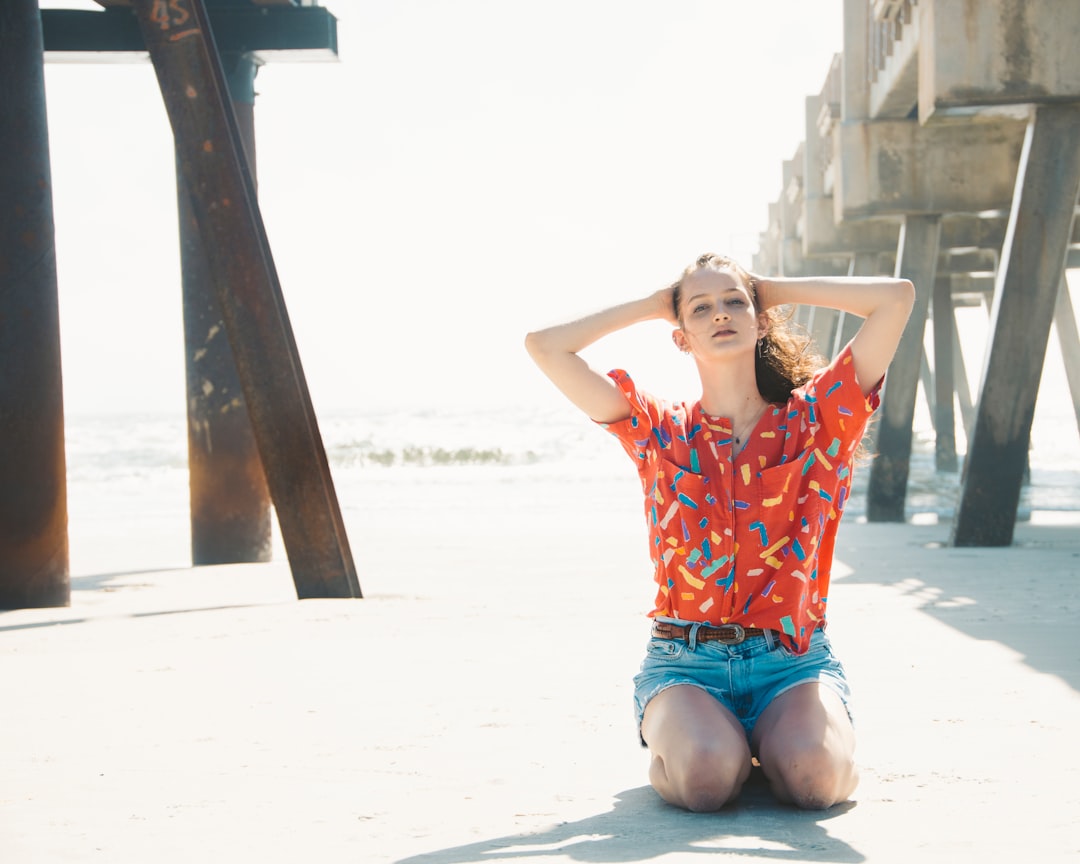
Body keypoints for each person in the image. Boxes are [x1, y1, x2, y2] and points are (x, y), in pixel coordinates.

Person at [524, 253, 914, 812]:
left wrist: (768, 289)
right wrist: (656, 305)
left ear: (759, 318)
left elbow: (895, 298)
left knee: (815, 783)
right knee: (705, 784)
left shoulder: (818, 420)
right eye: (701, 309)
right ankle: (713, 750)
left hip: (793, 661)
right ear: (681, 337)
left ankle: (775, 747)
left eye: (735, 302)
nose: (721, 315)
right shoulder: (658, 431)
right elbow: (544, 346)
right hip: (685, 663)